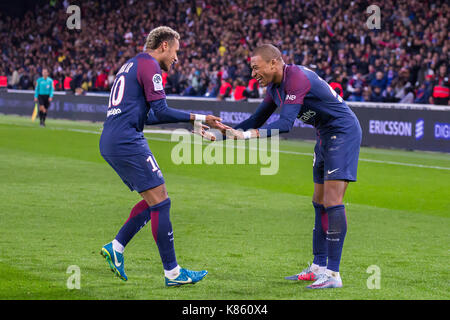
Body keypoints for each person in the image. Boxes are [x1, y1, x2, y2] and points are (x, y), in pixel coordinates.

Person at [207, 44, 362, 289]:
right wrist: (221, 134)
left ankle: (333, 274)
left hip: (343, 133)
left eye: (256, 68)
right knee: (318, 201)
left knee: (332, 201)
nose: (252, 74)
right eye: (251, 68)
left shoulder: (297, 78)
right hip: (324, 134)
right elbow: (256, 119)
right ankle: (318, 266)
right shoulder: (274, 88)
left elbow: (286, 123)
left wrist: (248, 137)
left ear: (274, 63)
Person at [99, 26, 227, 287]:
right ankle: (173, 272)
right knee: (161, 202)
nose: (177, 58)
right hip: (127, 140)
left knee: (154, 200)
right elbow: (162, 108)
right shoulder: (150, 66)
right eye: (176, 51)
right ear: (164, 46)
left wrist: (191, 125)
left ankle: (117, 246)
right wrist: (199, 117)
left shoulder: (132, 64)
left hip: (111, 139)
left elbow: (148, 114)